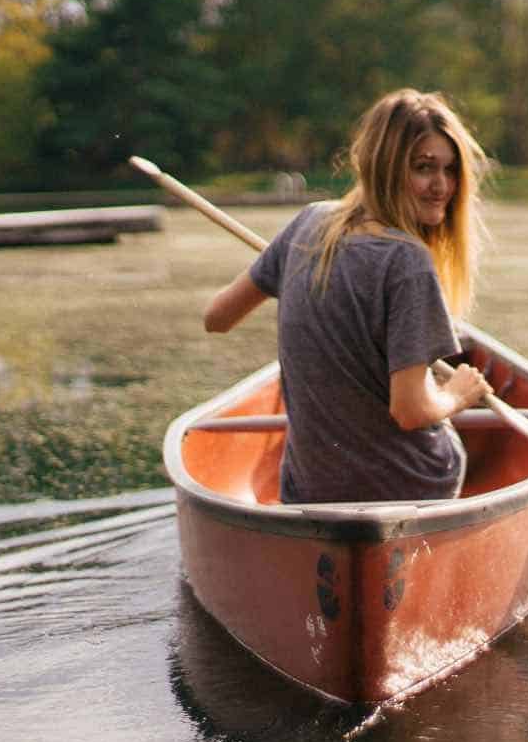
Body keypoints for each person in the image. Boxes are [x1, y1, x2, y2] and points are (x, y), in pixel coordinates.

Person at [202, 89, 494, 504]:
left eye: (450, 171)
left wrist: (285, 269)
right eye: (424, 168)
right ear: (385, 167)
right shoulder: (407, 260)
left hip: (311, 493)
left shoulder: (310, 221)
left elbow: (216, 317)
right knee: (435, 408)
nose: (441, 186)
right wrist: (457, 394)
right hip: (409, 487)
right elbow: (410, 411)